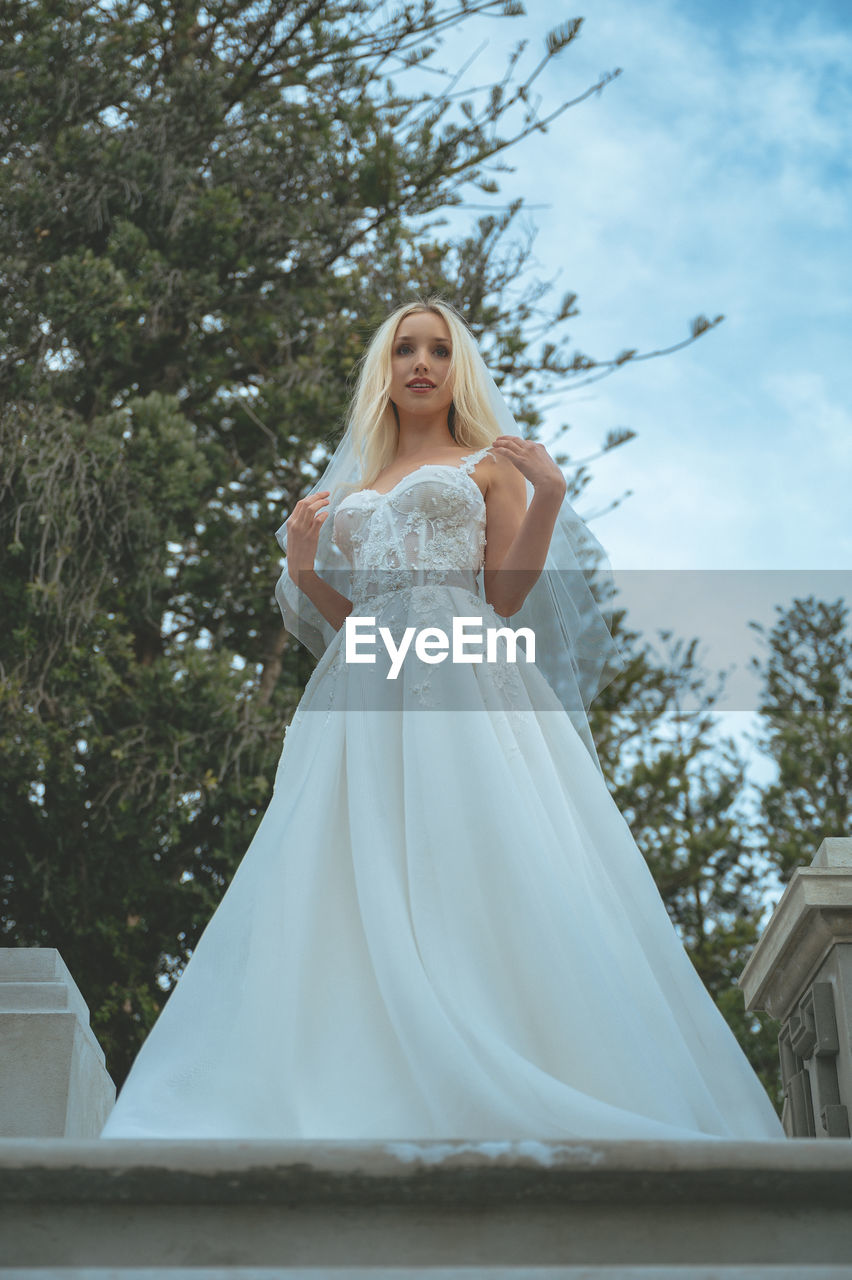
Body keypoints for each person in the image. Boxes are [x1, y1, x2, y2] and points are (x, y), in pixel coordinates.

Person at [100, 298, 784, 1142]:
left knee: (481, 843)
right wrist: (304, 567)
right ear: (382, 373)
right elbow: (352, 623)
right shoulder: (351, 489)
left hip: (465, 669)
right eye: (403, 350)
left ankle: (505, 1046)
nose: (421, 363)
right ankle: (351, 1068)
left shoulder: (486, 466)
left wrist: (550, 491)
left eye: (437, 350)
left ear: (458, 369)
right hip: (369, 688)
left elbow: (502, 596)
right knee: (353, 859)